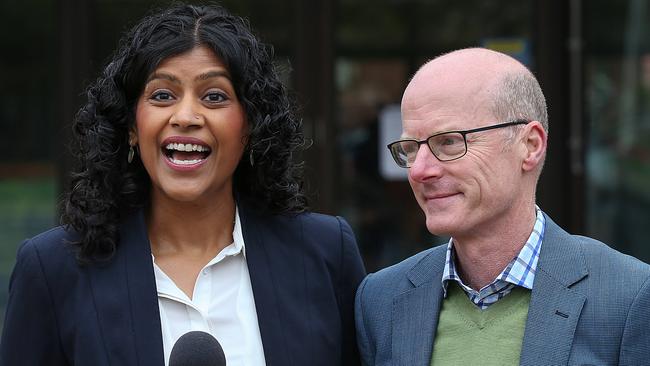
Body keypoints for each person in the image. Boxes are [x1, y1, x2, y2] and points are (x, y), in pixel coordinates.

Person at [0, 4, 366, 366]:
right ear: (130, 126)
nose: (186, 116)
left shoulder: (325, 254)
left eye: (214, 96)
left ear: (250, 125)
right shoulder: (53, 270)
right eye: (162, 95)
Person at [354, 48, 650, 366]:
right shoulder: (380, 300)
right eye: (411, 148)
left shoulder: (629, 297)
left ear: (530, 146)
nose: (419, 170)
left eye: (449, 141)